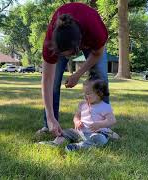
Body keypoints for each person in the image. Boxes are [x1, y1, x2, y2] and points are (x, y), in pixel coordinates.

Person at [39, 2, 110, 136]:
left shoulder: (95, 30)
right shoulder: (50, 42)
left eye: (69, 54)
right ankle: (49, 124)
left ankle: (104, 127)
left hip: (88, 30)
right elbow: (47, 79)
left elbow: (97, 54)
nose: (66, 58)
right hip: (64, 39)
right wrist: (50, 116)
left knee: (101, 78)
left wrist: (77, 74)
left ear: (79, 45)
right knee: (53, 83)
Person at [39, 79, 118, 151]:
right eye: (84, 93)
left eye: (88, 93)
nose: (84, 95)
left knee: (100, 139)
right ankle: (55, 143)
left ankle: (79, 146)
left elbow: (112, 120)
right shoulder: (83, 104)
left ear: (99, 94)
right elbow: (77, 116)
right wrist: (77, 121)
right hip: (80, 132)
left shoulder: (104, 106)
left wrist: (99, 124)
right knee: (65, 132)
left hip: (97, 133)